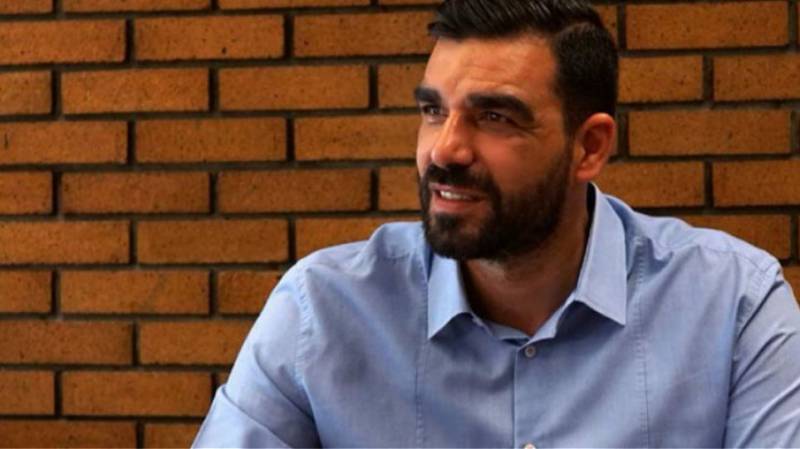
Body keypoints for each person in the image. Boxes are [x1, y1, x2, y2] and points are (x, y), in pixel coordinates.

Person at [193, 0, 800, 447]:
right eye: (434, 111)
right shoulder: (324, 310)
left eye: (495, 117)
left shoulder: (732, 303)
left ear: (589, 147)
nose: (445, 150)